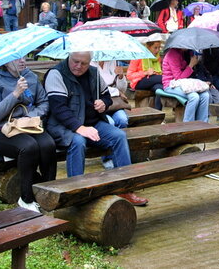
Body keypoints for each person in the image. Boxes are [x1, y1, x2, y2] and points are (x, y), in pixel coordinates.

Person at [44, 51, 148, 206]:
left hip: (92, 123)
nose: (78, 66)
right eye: (75, 61)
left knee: (119, 136)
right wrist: (80, 128)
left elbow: (107, 96)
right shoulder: (56, 74)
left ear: (90, 62)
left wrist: (103, 103)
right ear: (69, 57)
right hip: (62, 126)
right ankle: (77, 192)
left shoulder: (93, 72)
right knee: (78, 141)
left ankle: (125, 188)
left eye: (83, 63)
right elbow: (59, 109)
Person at [0, 58, 56, 212]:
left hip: (27, 125)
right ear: (5, 61)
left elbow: (43, 103)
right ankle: (26, 198)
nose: (22, 61)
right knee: (29, 147)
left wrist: (30, 116)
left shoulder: (31, 76)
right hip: (0, 129)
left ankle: (48, 191)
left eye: (24, 56)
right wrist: (15, 93)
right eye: (17, 58)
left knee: (48, 144)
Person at [162, 47, 210, 122]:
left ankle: (202, 124)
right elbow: (178, 77)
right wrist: (191, 65)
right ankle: (187, 126)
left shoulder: (185, 52)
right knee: (194, 96)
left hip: (184, 84)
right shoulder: (173, 54)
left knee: (205, 95)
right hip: (171, 85)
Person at [127, 33, 164, 110]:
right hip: (139, 82)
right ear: (148, 47)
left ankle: (158, 115)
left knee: (160, 89)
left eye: (159, 48)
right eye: (155, 48)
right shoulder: (138, 56)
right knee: (164, 79)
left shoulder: (157, 58)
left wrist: (156, 73)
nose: (157, 50)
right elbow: (129, 75)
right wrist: (145, 73)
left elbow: (158, 73)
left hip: (153, 81)